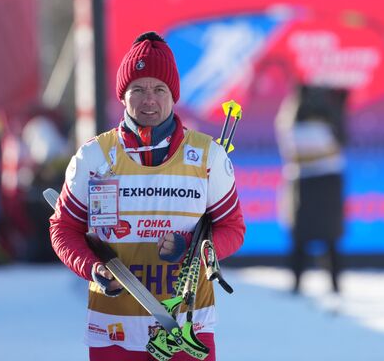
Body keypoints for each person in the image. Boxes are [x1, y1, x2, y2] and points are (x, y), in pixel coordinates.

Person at [49, 31, 245, 360]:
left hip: (186, 331)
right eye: (137, 89)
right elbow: (63, 228)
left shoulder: (208, 156)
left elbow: (232, 229)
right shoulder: (94, 156)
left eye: (159, 89)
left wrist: (193, 248)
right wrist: (93, 268)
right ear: (122, 96)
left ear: (174, 95)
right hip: (114, 332)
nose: (148, 99)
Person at [275, 84, 347, 294]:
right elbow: (342, 140)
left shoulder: (291, 119)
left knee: (304, 238)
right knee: (327, 238)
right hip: (325, 181)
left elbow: (286, 139)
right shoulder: (328, 118)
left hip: (306, 181)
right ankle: (333, 285)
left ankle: (299, 285)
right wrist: (339, 106)